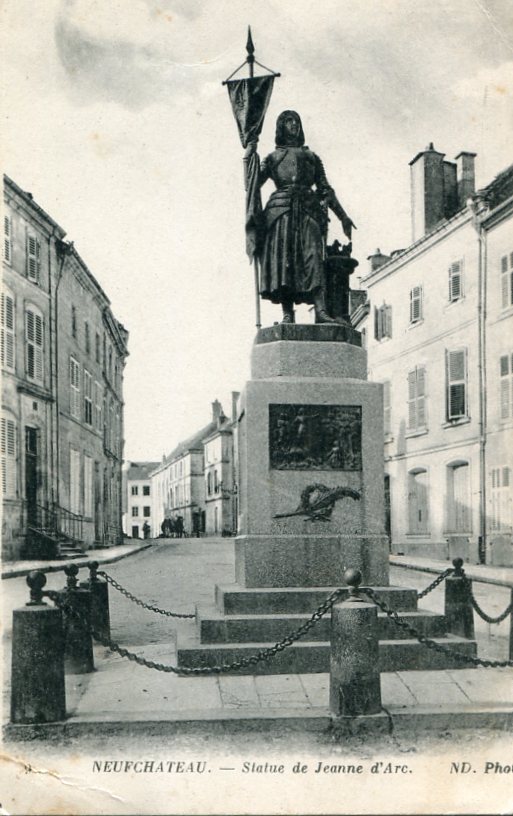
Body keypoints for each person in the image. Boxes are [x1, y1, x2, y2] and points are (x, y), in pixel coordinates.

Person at [247, 110, 355, 324]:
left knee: (314, 256)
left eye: (296, 121)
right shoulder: (272, 157)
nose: (294, 125)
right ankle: (287, 313)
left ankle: (321, 310)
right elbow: (251, 185)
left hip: (308, 208)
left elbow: (325, 189)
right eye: (288, 121)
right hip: (281, 212)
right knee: (285, 263)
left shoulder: (312, 157)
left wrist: (343, 216)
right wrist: (249, 155)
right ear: (281, 127)